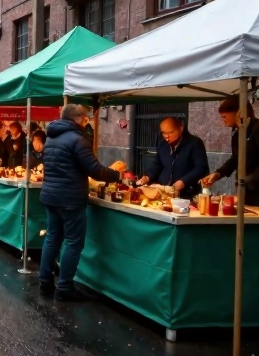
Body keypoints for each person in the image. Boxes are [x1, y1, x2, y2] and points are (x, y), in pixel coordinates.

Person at [39, 104, 124, 301]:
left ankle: (45, 282)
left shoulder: (51, 137)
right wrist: (117, 175)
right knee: (73, 242)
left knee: (52, 237)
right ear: (78, 118)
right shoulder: (78, 138)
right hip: (70, 198)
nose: (87, 122)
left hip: (50, 195)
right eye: (86, 119)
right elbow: (94, 169)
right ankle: (64, 287)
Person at [200, 97, 259, 207]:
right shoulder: (237, 131)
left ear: (239, 113)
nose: (223, 120)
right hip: (245, 189)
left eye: (225, 116)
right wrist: (218, 174)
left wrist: (248, 179)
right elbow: (236, 158)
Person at [136, 117, 209, 200]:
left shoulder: (194, 143)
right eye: (164, 133)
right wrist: (148, 176)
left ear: (181, 128)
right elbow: (157, 164)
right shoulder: (163, 144)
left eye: (170, 132)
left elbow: (201, 168)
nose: (167, 137)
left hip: (187, 194)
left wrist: (184, 181)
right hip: (164, 193)